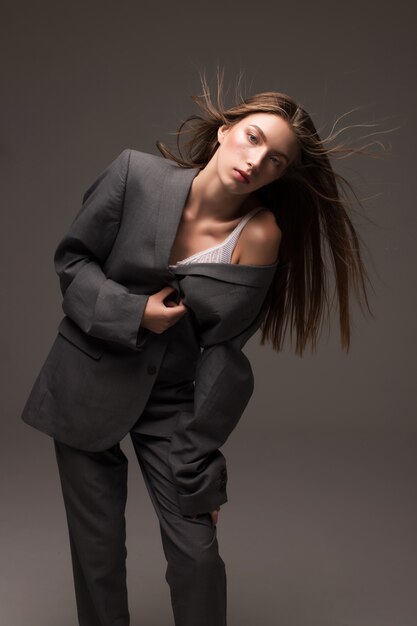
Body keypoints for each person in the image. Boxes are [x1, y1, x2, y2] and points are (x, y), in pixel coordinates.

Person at [21, 70, 379, 626]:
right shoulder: (134, 175)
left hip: (172, 401)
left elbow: (224, 353)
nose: (257, 162)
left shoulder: (259, 234)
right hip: (87, 381)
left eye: (276, 161)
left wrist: (202, 471)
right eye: (254, 139)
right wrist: (134, 312)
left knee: (197, 554)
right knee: (96, 552)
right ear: (225, 130)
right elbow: (72, 264)